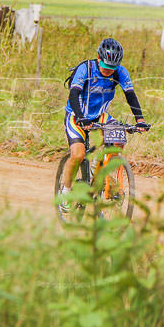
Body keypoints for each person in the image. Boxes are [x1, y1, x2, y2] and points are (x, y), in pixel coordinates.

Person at [59, 38, 149, 214]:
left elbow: (130, 95)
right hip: (77, 115)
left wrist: (140, 120)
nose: (109, 71)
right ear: (99, 59)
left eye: (113, 68)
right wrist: (80, 117)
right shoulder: (86, 69)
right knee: (78, 154)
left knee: (119, 139)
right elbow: (74, 93)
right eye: (106, 67)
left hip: (100, 114)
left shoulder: (120, 72)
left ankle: (98, 173)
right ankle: (65, 191)